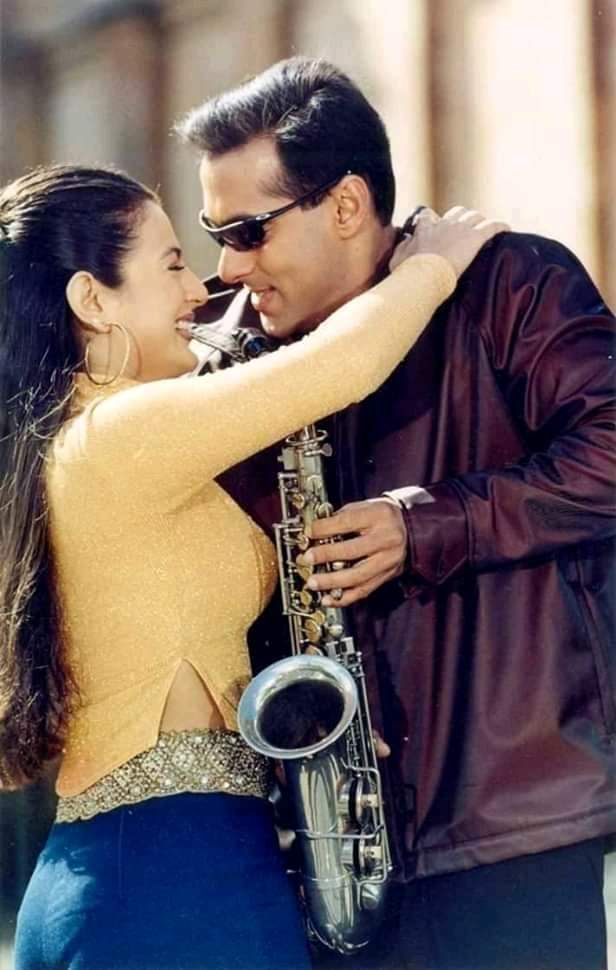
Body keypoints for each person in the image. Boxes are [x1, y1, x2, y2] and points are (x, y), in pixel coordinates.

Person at [175, 56, 616, 970]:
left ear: (345, 204)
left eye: (250, 231)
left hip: (510, 828)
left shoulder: (508, 283)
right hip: (325, 841)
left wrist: (427, 525)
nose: (228, 267)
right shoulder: (233, 352)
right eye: (216, 235)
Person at [1, 165, 500, 969]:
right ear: (92, 298)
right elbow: (338, 367)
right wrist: (433, 261)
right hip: (172, 878)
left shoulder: (75, 447)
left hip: (148, 868)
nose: (198, 291)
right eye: (172, 263)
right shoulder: (118, 435)